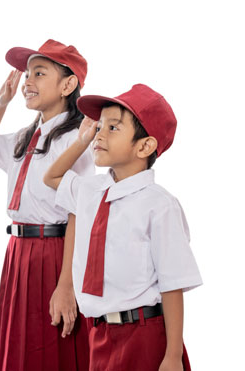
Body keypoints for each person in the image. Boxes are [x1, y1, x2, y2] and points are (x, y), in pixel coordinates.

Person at [43, 84, 203, 371]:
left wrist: (172, 356)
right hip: (100, 335)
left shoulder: (159, 204)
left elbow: (172, 285)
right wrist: (82, 140)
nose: (99, 134)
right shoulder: (90, 189)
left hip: (144, 335)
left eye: (113, 127)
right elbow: (51, 176)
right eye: (99, 126)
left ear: (144, 146)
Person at [0, 39, 94, 371]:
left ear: (68, 84)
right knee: (18, 343)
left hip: (54, 252)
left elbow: (77, 214)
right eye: (27, 74)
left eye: (39, 73)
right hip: (18, 252)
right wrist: (1, 102)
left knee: (52, 345)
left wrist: (67, 285)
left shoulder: (76, 139)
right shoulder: (24, 137)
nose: (27, 82)